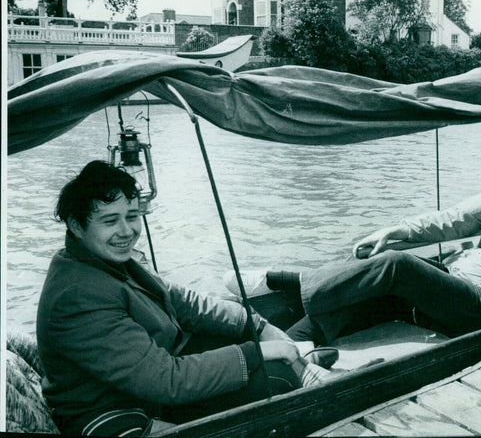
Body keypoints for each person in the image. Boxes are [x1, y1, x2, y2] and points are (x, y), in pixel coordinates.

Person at [37, 161, 332, 437]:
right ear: (76, 225)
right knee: (275, 377)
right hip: (123, 412)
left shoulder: (106, 260)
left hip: (144, 385)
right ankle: (298, 362)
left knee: (258, 348)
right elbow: (167, 380)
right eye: (110, 220)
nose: (126, 231)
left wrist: (255, 324)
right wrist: (258, 352)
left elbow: (184, 302)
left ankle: (297, 355)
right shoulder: (76, 296)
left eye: (132, 216)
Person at [226, 130, 481, 346]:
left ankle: (293, 280)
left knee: (396, 265)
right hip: (452, 279)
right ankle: (292, 343)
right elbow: (448, 221)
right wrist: (394, 232)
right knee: (371, 279)